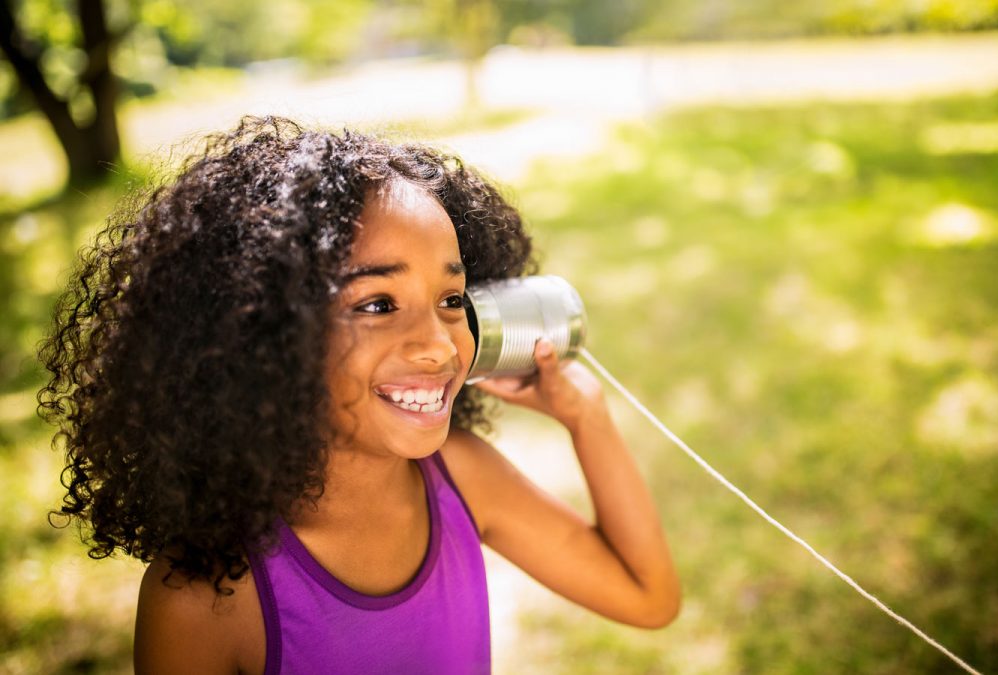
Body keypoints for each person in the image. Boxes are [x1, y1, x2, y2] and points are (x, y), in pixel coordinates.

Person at [37, 116, 680, 674]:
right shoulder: (203, 601)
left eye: (451, 299)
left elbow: (647, 596)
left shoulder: (461, 479)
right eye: (377, 304)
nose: (438, 346)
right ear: (264, 333)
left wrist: (585, 415)